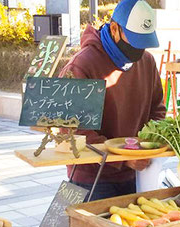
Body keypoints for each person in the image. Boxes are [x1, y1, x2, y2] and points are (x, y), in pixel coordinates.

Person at [59, 0, 166, 201]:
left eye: (144, 43)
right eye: (134, 41)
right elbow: (74, 130)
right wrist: (123, 158)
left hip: (136, 172)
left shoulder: (147, 62)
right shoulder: (82, 65)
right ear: (115, 28)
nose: (139, 50)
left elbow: (157, 111)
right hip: (91, 177)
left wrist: (151, 143)